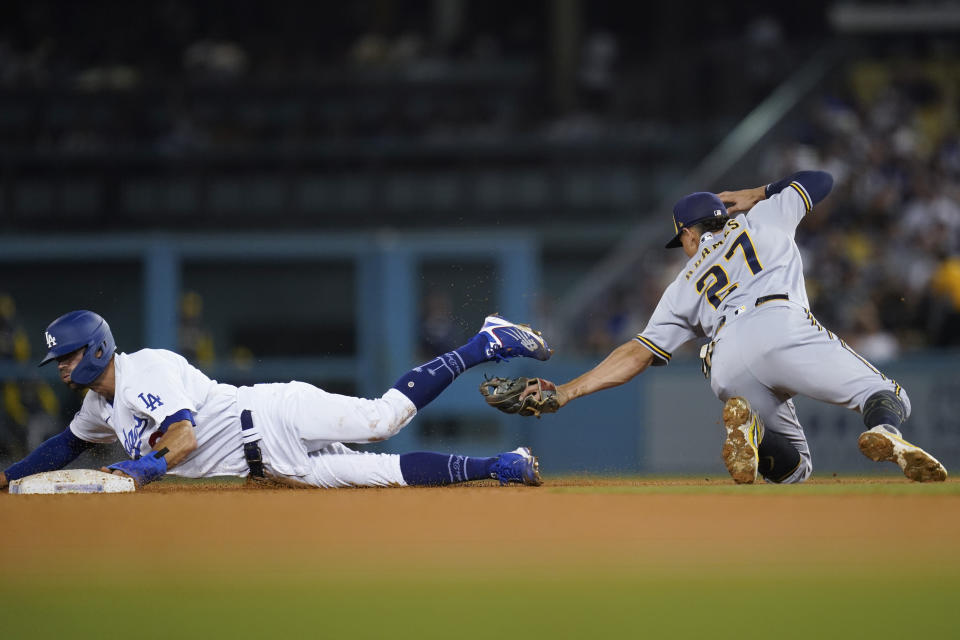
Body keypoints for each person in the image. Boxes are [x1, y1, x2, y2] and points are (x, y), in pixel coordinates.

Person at [520, 170, 947, 484]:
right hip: (778, 324)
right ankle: (884, 431)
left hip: (724, 362)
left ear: (688, 233)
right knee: (887, 395)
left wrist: (566, 391)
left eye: (681, 239)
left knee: (794, 470)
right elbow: (821, 179)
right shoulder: (764, 217)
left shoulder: (683, 283)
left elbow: (636, 354)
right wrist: (757, 193)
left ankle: (755, 432)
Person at [0, 311, 551, 490]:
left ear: (96, 350)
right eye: (60, 362)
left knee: (383, 420)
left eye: (69, 356)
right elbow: (63, 447)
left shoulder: (147, 369)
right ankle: (503, 467)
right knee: (380, 473)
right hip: (275, 466)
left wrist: (143, 470)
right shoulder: (99, 407)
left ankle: (486, 341)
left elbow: (184, 437)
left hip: (269, 414)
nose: (64, 367)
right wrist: (9, 478)